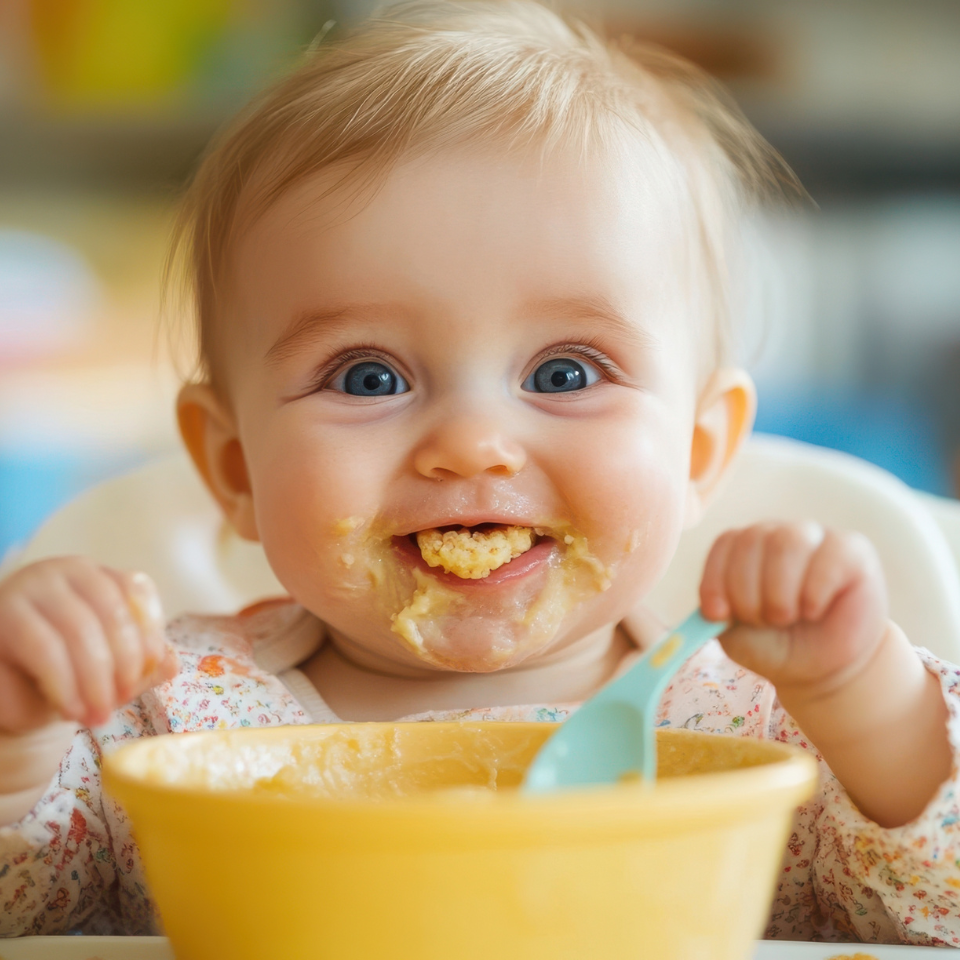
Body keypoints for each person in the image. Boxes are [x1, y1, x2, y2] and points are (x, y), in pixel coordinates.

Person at [1, 0, 958, 944]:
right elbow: (24, 901)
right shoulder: (158, 721)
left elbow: (931, 907)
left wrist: (869, 701)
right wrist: (21, 729)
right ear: (236, 466)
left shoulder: (766, 719)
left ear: (700, 450)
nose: (471, 443)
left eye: (564, 373)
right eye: (368, 376)